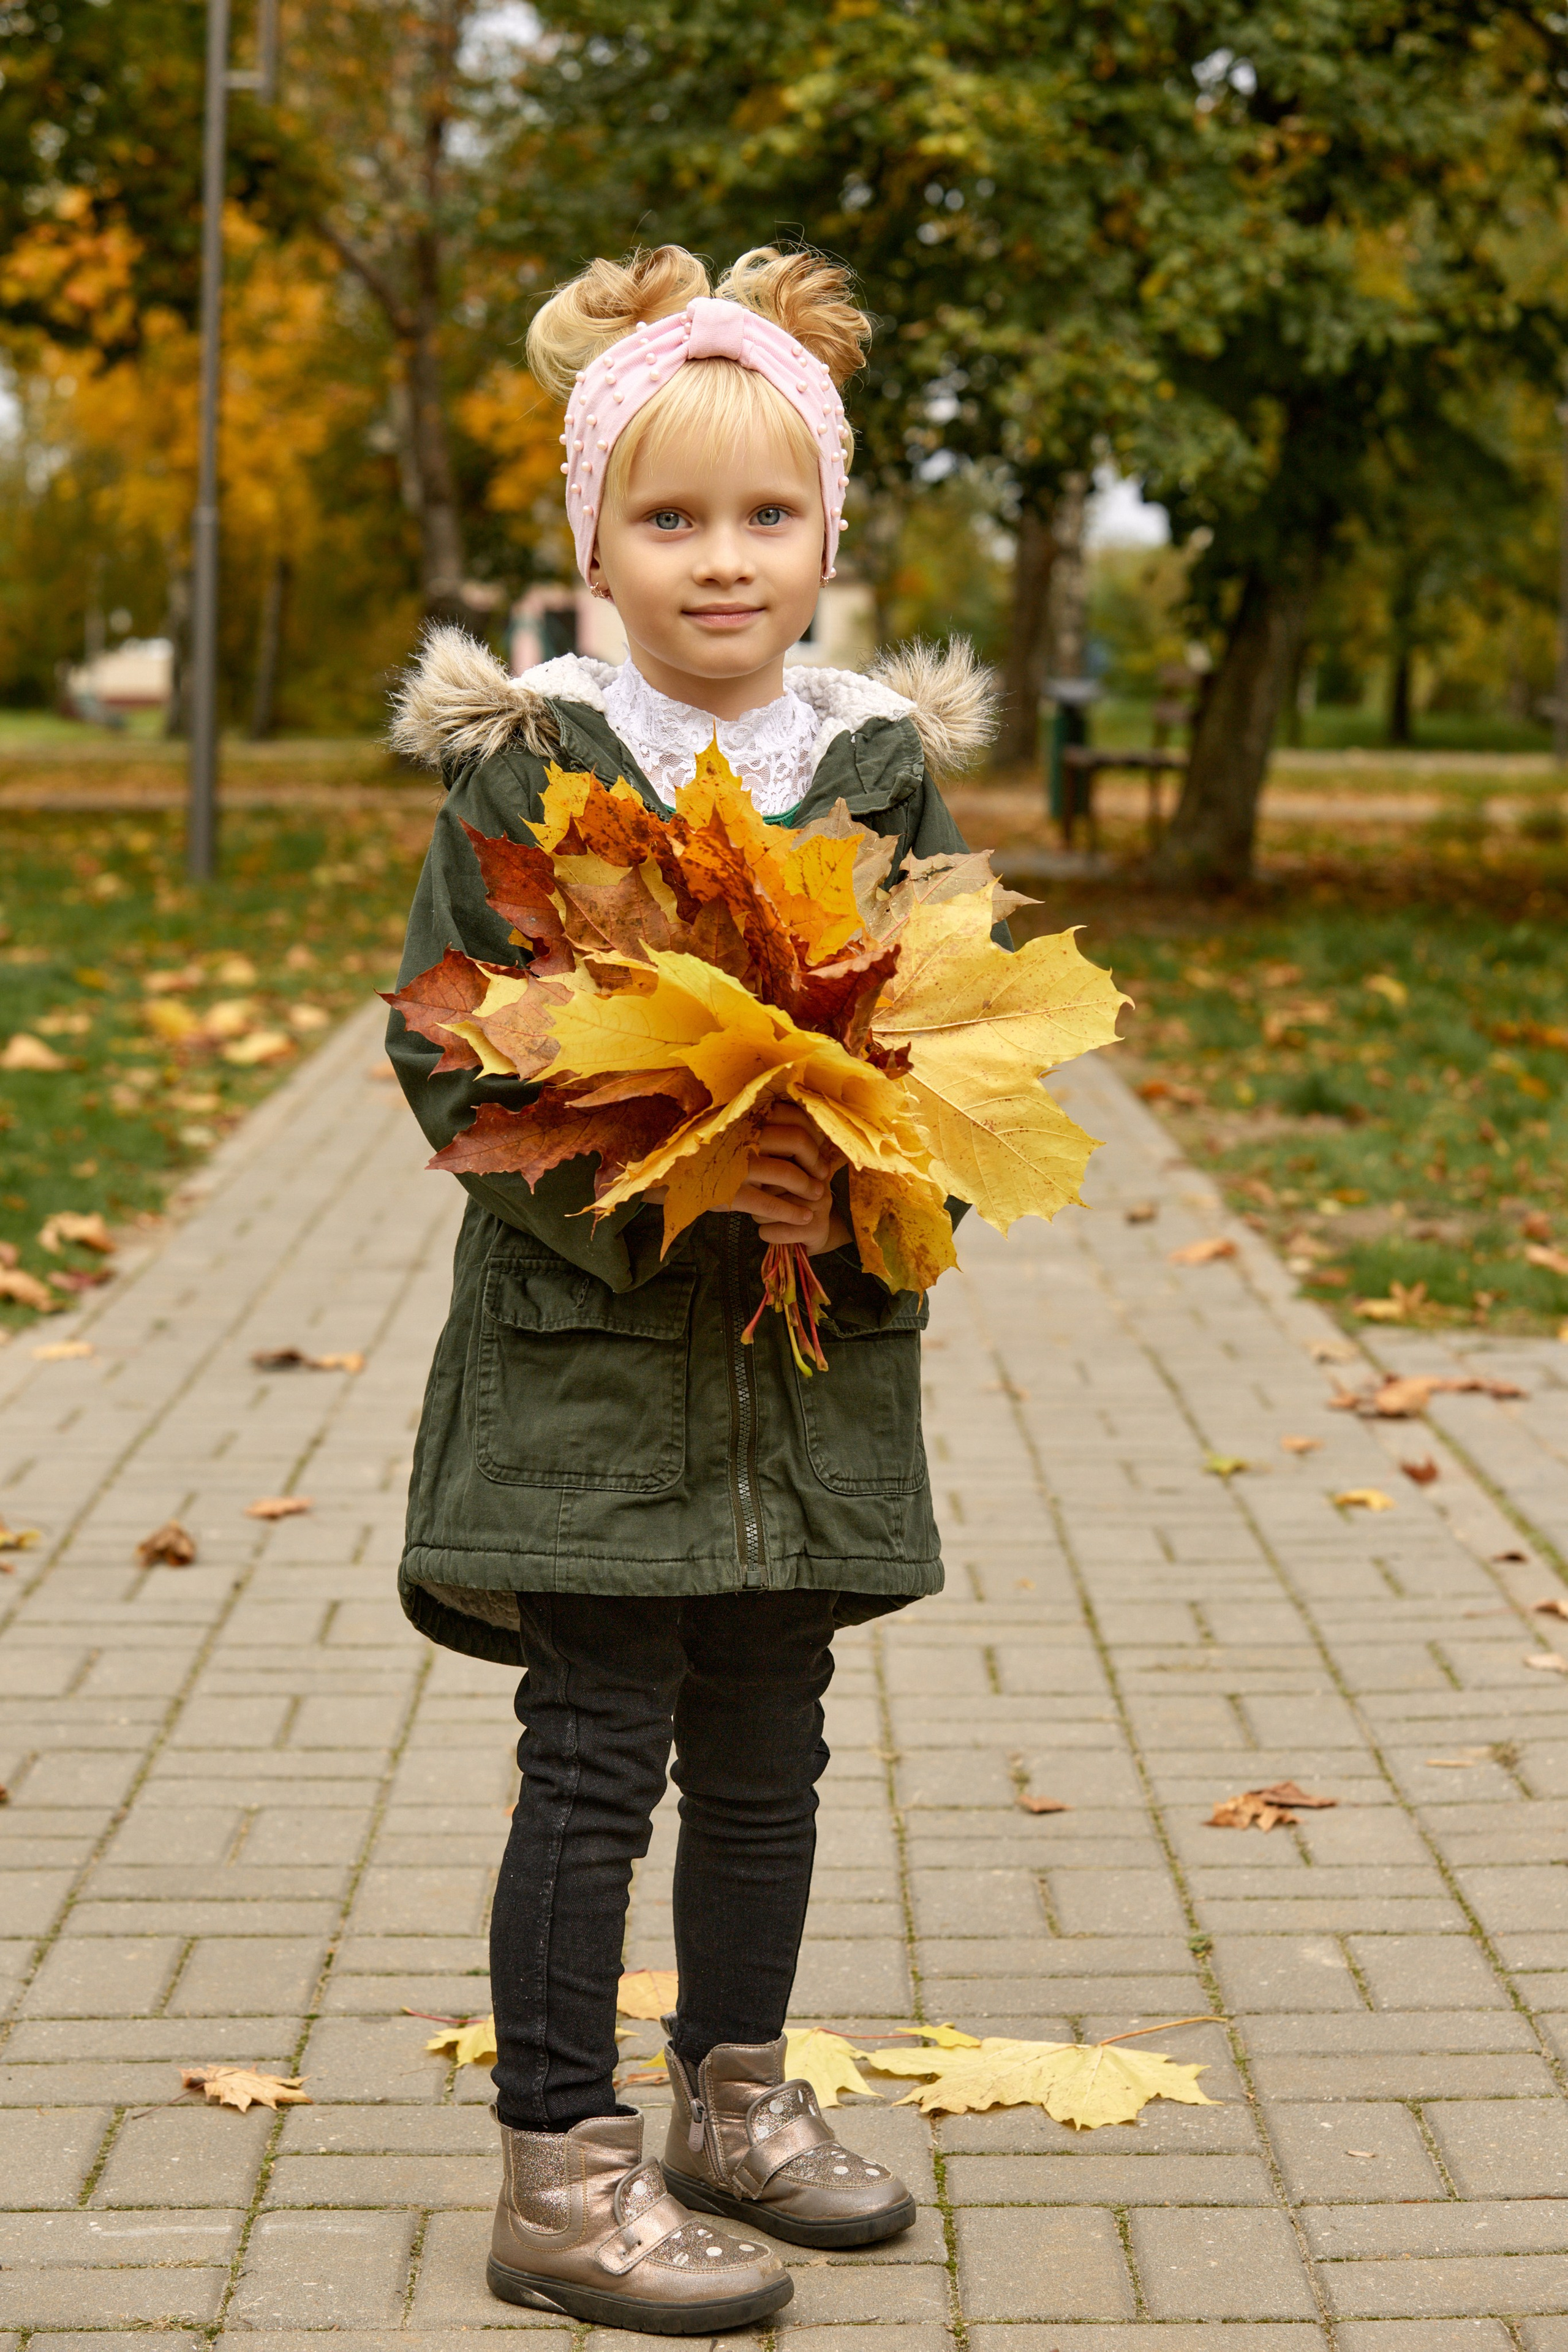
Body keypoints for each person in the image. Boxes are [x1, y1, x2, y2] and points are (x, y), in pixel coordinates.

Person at [385, 243, 996, 2334]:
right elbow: (452, 1048)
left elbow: (950, 1041)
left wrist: (876, 1192)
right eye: (668, 519)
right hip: (588, 1370)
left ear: (828, 536)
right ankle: (561, 2171)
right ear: (594, 545)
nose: (720, 563)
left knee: (770, 1749)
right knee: (595, 1750)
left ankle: (734, 2094)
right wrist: (664, 1181)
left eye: (767, 517)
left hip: (803, 1370)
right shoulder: (540, 764)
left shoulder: (877, 764)